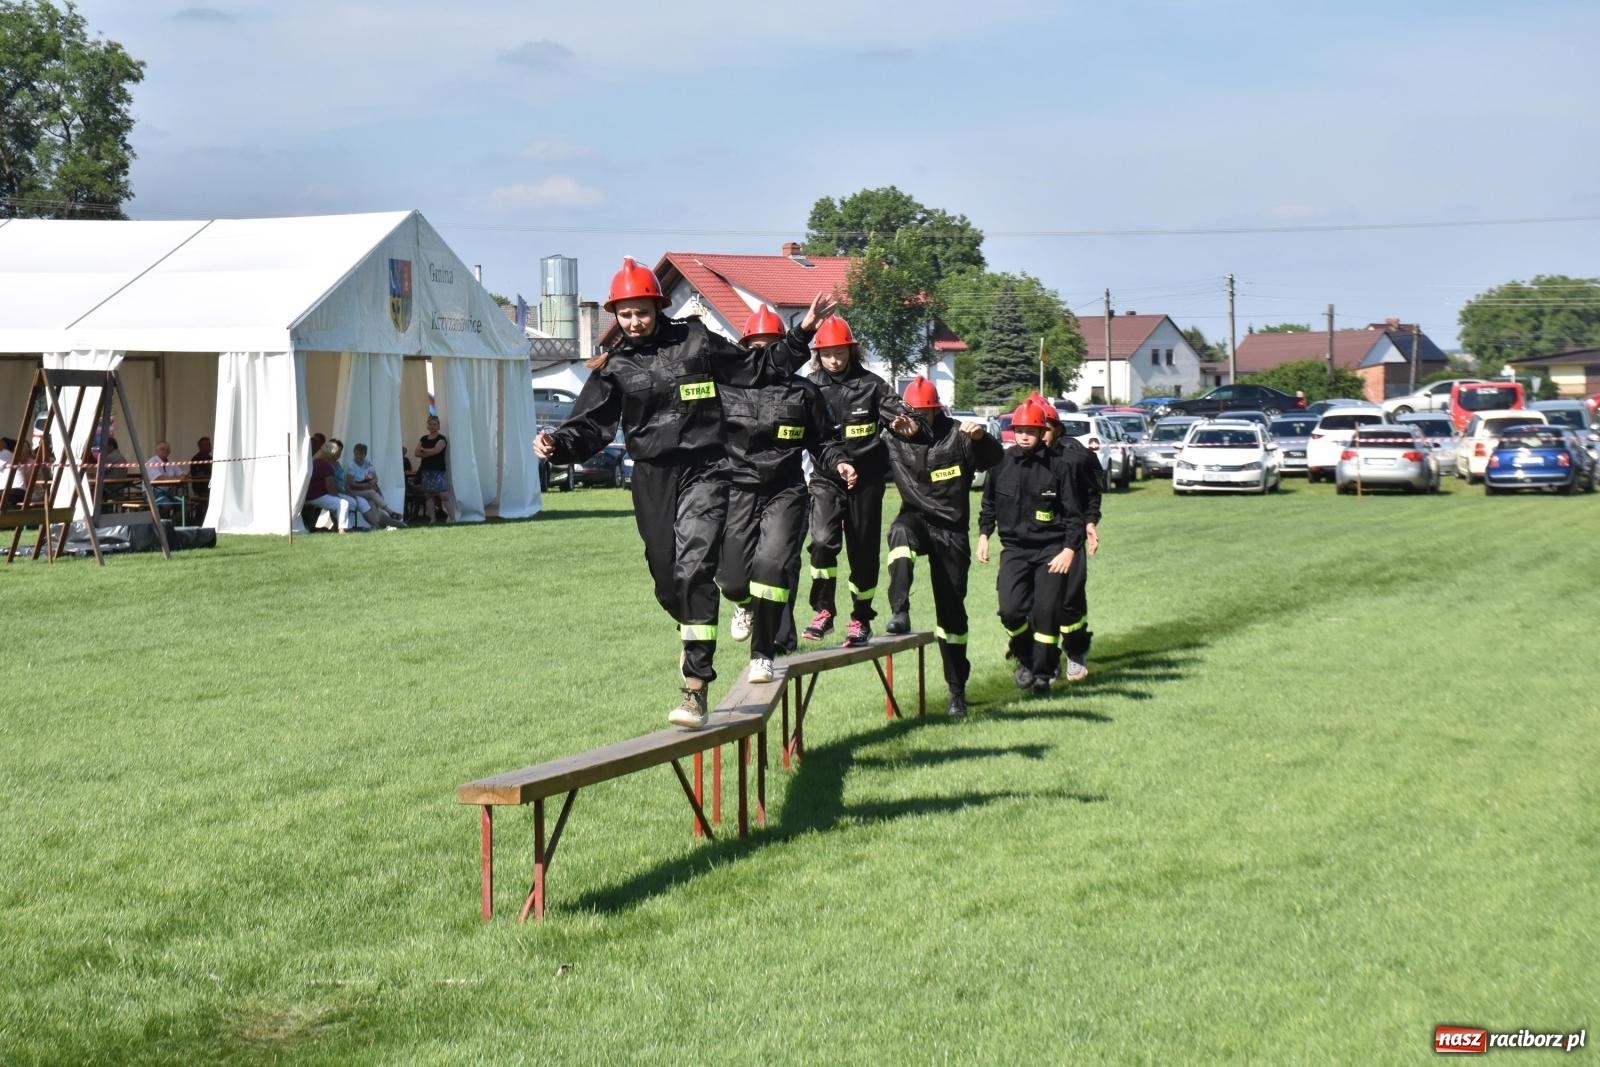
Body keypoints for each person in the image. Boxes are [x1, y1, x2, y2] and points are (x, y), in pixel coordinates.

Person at [535, 258, 823, 728]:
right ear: (616, 315)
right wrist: (557, 444)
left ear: (658, 306)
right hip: (652, 478)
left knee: (694, 570)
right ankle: (690, 621)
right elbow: (589, 425)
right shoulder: (615, 367)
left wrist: (800, 335)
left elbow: (754, 368)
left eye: (641, 311)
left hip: (706, 470)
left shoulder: (697, 341)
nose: (634, 321)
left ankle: (694, 689)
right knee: (669, 581)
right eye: (625, 314)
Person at [719, 302, 854, 682]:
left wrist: (840, 461)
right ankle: (743, 603)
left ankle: (762, 653)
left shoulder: (804, 393)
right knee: (732, 580)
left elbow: (824, 441)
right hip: (738, 491)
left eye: (772, 346)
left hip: (786, 491)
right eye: (757, 347)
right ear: (745, 349)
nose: (765, 354)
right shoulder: (725, 390)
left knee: (772, 566)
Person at [801, 315, 926, 648]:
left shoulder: (873, 385)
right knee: (822, 541)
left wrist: (909, 424)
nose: (833, 359)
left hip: (866, 482)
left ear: (851, 351)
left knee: (863, 551)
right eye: (827, 353)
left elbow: (905, 415)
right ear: (818, 354)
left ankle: (861, 618)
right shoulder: (809, 387)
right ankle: (823, 610)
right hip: (826, 478)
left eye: (840, 352)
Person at [884, 376, 1004, 718]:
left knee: (951, 613)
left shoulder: (958, 436)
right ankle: (899, 611)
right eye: (914, 413)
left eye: (926, 413)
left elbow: (994, 458)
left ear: (937, 411)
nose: (919, 419)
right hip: (916, 519)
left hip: (951, 530)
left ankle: (956, 691)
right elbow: (861, 455)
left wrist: (981, 438)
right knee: (899, 533)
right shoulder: (893, 438)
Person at [977, 401, 1083, 696]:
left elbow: (1074, 515)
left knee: (1046, 612)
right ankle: (1026, 657)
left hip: (1051, 551)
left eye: (1031, 431)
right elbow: (988, 504)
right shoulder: (1001, 463)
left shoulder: (1059, 467)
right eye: (1020, 430)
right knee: (1010, 611)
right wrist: (984, 535)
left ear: (1041, 432)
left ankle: (1043, 675)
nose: (1024, 436)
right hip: (1014, 550)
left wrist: (1069, 550)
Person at [1031, 394, 1102, 682]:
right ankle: (1044, 661)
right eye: (1034, 429)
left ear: (1058, 429)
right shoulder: (1022, 459)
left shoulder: (1076, 456)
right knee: (1039, 603)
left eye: (1045, 428)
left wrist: (1090, 522)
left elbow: (1093, 494)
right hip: (1036, 539)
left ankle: (1076, 650)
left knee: (1070, 599)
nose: (1040, 435)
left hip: (1069, 536)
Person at [344, 442, 405, 527]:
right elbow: (351, 483)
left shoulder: (368, 463)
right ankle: (390, 512)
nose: (359, 456)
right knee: (371, 493)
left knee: (372, 501)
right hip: (354, 491)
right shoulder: (351, 466)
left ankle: (376, 525)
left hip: (367, 489)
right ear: (354, 453)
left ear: (365, 454)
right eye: (357, 453)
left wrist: (372, 483)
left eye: (361, 454)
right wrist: (364, 486)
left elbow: (375, 478)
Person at [305, 442, 357, 532]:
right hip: (317, 496)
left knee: (340, 503)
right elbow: (331, 489)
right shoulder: (326, 465)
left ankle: (347, 527)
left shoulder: (313, 462)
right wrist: (339, 497)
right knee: (343, 503)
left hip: (308, 496)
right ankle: (342, 529)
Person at [414, 416, 452, 523]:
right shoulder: (423, 438)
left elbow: (436, 451)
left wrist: (423, 450)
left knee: (444, 495)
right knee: (428, 496)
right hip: (426, 470)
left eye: (434, 424)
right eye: (430, 424)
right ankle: (432, 519)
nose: (432, 426)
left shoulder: (441, 439)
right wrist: (427, 452)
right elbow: (416, 453)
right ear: (427, 425)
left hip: (439, 471)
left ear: (438, 425)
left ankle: (453, 518)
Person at [189, 436, 213, 507]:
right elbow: (199, 476)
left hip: (210, 485)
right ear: (200, 447)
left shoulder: (210, 458)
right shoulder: (196, 459)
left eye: (209, 444)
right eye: (207, 445)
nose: (210, 447)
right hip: (202, 488)